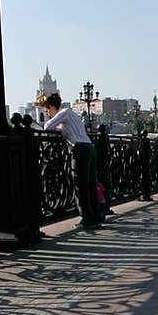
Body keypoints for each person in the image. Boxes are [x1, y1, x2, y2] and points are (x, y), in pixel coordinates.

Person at [43, 92, 105, 229]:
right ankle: (96, 217)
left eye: (47, 109)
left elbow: (47, 126)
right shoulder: (70, 115)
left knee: (80, 186)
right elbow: (64, 128)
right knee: (90, 185)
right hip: (89, 148)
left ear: (52, 107)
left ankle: (87, 219)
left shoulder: (64, 112)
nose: (47, 113)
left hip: (80, 150)